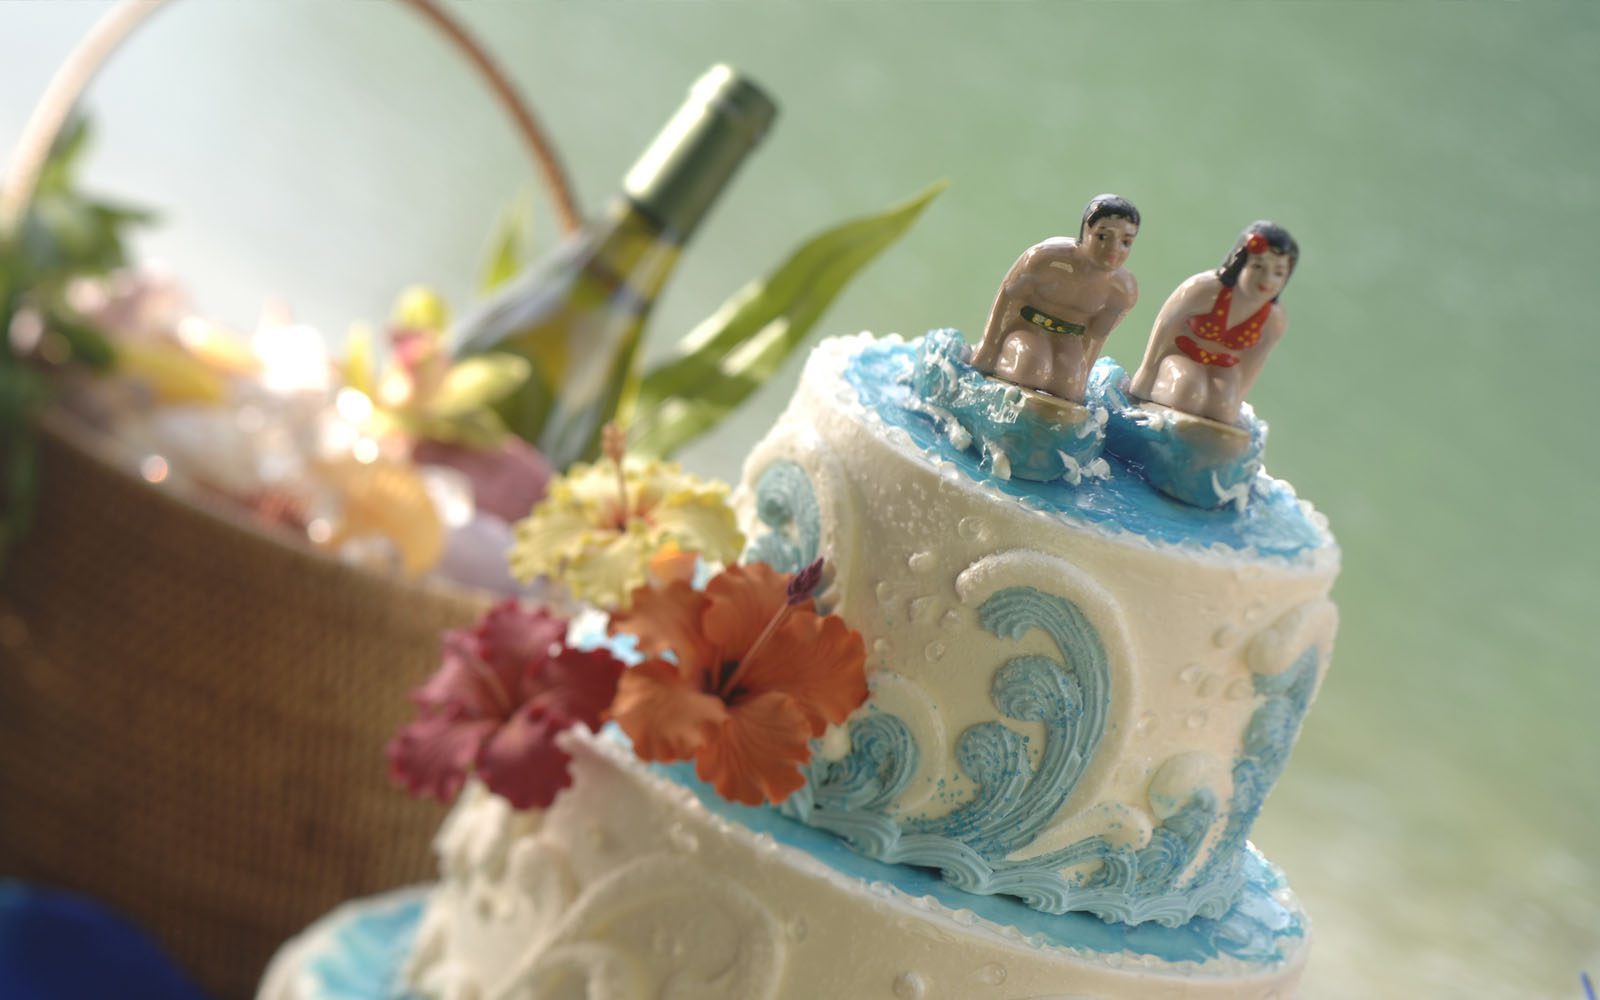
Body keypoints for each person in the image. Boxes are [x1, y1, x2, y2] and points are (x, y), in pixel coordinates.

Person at [969, 194, 1140, 403]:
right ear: (1086, 232)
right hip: (1028, 327)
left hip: (1068, 338)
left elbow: (1095, 337)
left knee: (1069, 383)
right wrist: (989, 346)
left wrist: (1083, 378)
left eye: (1125, 242)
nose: (1114, 249)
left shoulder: (1122, 290)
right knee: (1030, 365)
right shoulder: (1046, 258)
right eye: (1103, 236)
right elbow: (1007, 298)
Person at [1127, 222, 1297, 425]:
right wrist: (1147, 373)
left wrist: (1236, 401)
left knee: (1223, 408)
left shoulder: (1273, 318)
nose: (1267, 279)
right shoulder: (1204, 289)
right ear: (1240, 262)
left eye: (1278, 273)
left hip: (1224, 366)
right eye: (1258, 266)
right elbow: (1166, 325)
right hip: (1183, 353)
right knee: (1186, 393)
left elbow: (1253, 362)